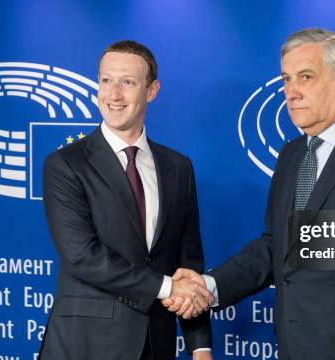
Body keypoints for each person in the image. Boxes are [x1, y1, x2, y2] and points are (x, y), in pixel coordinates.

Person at [164, 28, 335, 359]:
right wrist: (209, 287)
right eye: (286, 79)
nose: (291, 92)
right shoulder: (292, 155)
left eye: (306, 77)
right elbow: (276, 247)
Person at [40, 40, 213, 360]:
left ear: (152, 90)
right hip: (85, 345)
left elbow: (189, 265)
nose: (113, 94)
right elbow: (82, 256)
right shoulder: (65, 164)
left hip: (156, 344)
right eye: (106, 80)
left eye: (128, 82)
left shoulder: (178, 167)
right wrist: (168, 288)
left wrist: (200, 346)